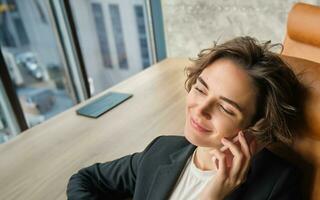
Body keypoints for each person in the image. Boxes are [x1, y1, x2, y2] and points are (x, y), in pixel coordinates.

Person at [67, 36, 303, 200]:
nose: (200, 109)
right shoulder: (161, 151)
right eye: (200, 89)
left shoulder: (276, 185)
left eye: (225, 108)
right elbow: (84, 179)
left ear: (258, 125)